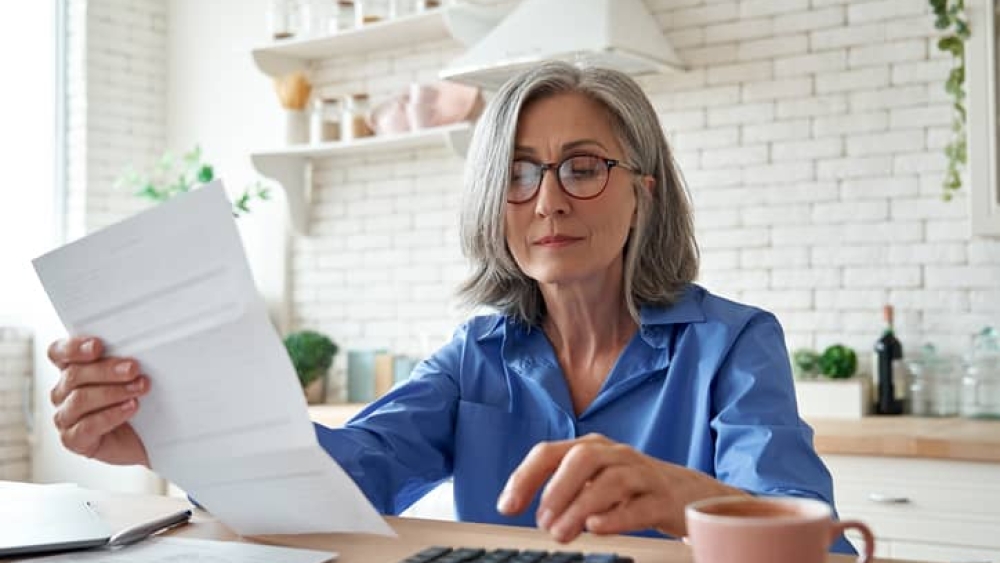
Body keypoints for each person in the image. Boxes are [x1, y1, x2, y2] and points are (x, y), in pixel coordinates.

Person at [46, 61, 854, 553]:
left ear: (642, 193)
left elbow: (823, 546)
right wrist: (169, 433)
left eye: (581, 167)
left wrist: (682, 497)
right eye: (518, 172)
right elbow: (346, 477)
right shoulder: (477, 354)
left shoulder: (734, 344)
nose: (547, 201)